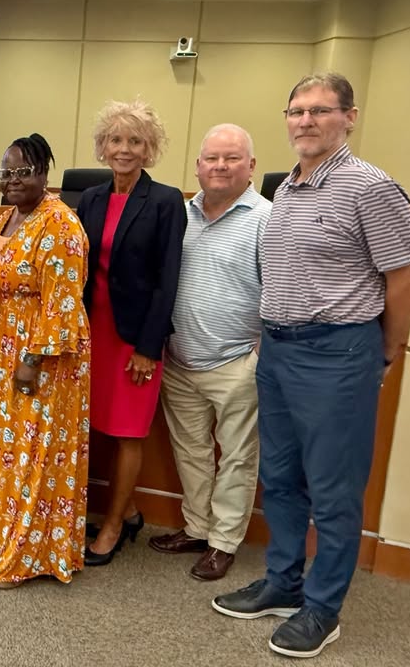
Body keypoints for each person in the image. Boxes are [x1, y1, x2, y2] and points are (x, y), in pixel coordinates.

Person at [212, 73, 410, 659]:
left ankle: (323, 608)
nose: (305, 121)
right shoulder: (289, 189)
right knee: (278, 478)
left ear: (349, 117)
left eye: (319, 111)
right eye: (297, 111)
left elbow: (405, 280)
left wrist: (388, 350)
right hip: (277, 352)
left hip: (338, 352)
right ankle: (283, 582)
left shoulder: (371, 188)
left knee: (332, 490)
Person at [149, 124, 271, 581]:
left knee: (238, 457)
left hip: (238, 362)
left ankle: (224, 543)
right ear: (198, 166)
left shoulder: (267, 219)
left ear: (251, 166)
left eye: (232, 158)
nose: (220, 166)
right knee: (192, 453)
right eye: (212, 158)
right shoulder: (181, 215)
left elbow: (280, 292)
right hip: (180, 360)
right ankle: (198, 528)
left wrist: (260, 353)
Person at [0, 133, 91, 588]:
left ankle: (26, 553)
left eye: (24, 171)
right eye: (7, 173)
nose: (14, 180)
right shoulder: (7, 218)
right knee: (8, 450)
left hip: (43, 356)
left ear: (45, 172)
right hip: (4, 344)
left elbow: (64, 303)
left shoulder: (61, 224)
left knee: (34, 452)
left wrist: (31, 359)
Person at [76, 99, 186, 567]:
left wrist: (147, 347)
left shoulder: (165, 201)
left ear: (150, 149)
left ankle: (116, 525)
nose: (124, 149)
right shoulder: (90, 198)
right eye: (116, 140)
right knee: (93, 428)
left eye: (135, 141)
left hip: (134, 339)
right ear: (103, 147)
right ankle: (131, 510)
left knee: (126, 433)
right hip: (91, 331)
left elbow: (168, 280)